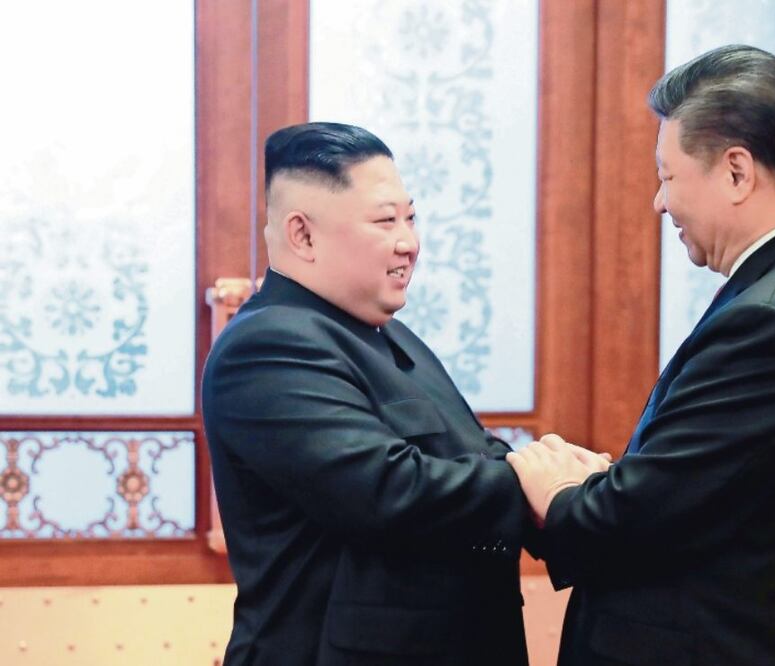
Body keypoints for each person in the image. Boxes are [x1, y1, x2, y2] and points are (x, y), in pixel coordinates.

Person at [508, 45, 775, 665]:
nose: (659, 203)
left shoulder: (771, 321)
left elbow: (628, 525)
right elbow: (714, 493)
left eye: (667, 176)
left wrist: (557, 486)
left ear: (736, 171)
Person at [201, 122, 532, 666]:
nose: (409, 242)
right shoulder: (269, 344)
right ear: (302, 234)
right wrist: (538, 485)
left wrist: (554, 473)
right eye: (385, 221)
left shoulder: (387, 333)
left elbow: (471, 452)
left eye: (410, 217)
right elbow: (388, 490)